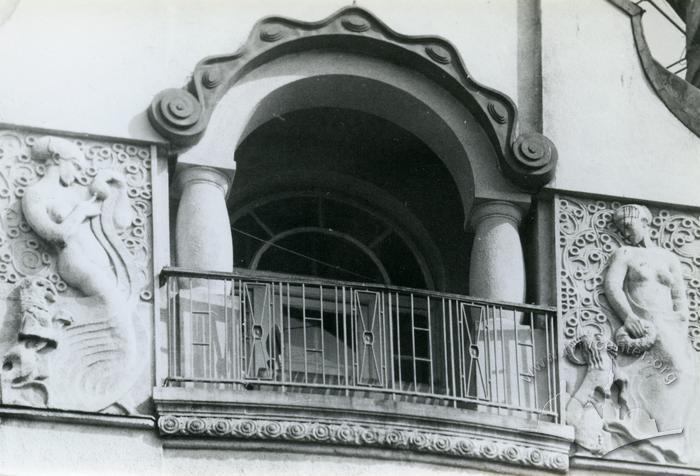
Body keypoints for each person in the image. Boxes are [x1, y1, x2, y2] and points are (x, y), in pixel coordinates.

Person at [604, 204, 694, 461]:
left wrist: (683, 326)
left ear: (643, 223)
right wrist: (629, 317)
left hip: (672, 325)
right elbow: (613, 287)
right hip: (644, 324)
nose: (626, 233)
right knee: (667, 371)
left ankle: (673, 435)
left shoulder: (668, 258)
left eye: (628, 227)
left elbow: (679, 297)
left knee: (683, 373)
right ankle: (654, 434)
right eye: (621, 229)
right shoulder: (625, 253)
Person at [21, 137, 132, 305]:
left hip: (101, 266)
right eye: (76, 166)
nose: (78, 175)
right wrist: (80, 212)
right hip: (76, 263)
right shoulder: (35, 193)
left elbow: (121, 223)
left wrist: (120, 188)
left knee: (120, 316)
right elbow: (56, 235)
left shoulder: (75, 194)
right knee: (119, 316)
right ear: (58, 158)